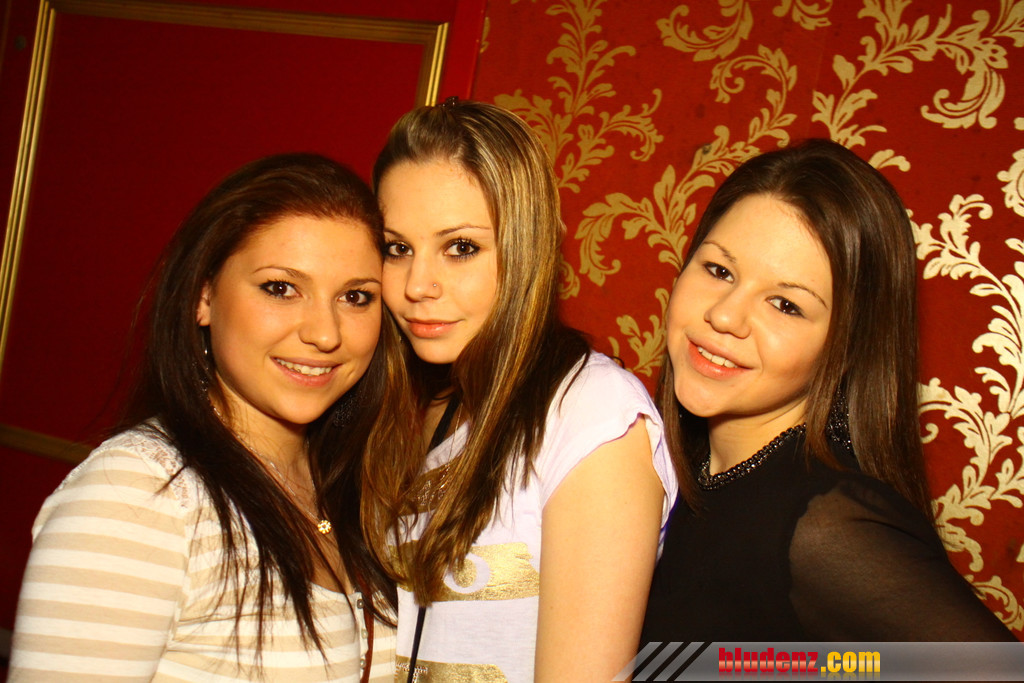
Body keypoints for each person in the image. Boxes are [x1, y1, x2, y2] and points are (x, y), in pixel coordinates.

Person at [10, 153, 400, 681]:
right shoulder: (139, 495)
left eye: (356, 297)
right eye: (281, 288)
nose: (325, 333)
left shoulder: (352, 484)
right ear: (204, 295)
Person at [641, 138, 1016, 643]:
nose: (725, 316)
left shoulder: (823, 526)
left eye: (786, 305)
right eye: (719, 270)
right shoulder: (673, 462)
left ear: (847, 344)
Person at [360, 97, 678, 682]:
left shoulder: (592, 414)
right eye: (398, 248)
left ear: (527, 249)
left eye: (461, 247)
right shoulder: (411, 406)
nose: (417, 284)